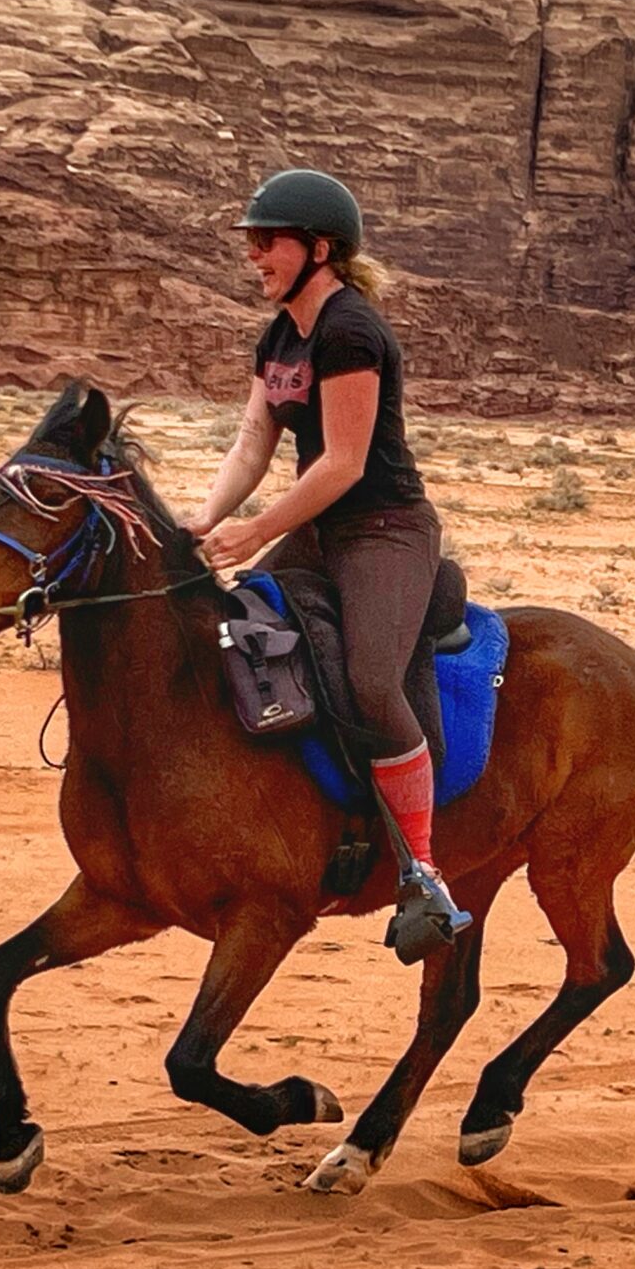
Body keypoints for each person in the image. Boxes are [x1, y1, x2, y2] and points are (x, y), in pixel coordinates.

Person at [181, 168, 471, 962]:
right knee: (240, 630)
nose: (254, 255)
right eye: (251, 240)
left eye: (266, 241)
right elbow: (252, 443)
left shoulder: (349, 330)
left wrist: (253, 532)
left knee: (374, 681)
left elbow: (342, 463)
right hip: (320, 530)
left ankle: (422, 873)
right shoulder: (279, 334)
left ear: (319, 248)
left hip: (384, 529)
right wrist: (205, 518)